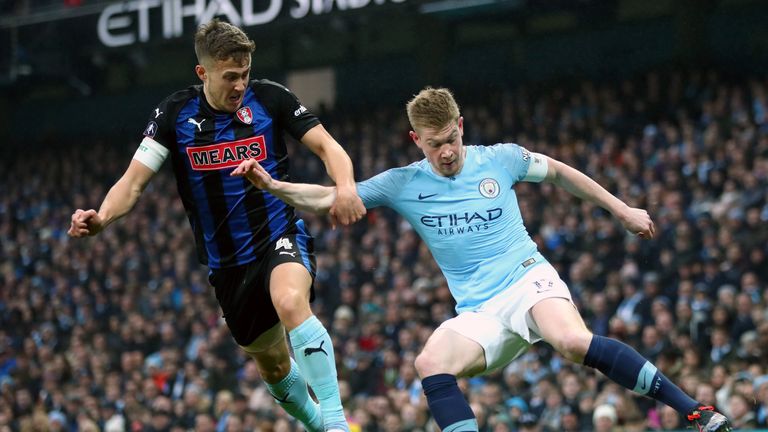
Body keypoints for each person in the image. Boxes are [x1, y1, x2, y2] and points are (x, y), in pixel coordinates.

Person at [232, 87, 733, 432]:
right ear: (416, 141)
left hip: (527, 280)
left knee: (570, 340)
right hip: (478, 311)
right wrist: (274, 187)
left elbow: (558, 172)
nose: (447, 152)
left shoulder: (501, 158)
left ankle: (694, 412)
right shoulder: (405, 183)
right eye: (435, 144)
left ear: (460, 126)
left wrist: (622, 209)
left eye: (451, 138)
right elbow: (330, 198)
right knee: (429, 362)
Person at [67, 19, 365, 432]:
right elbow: (133, 183)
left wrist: (346, 187)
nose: (240, 84)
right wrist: (100, 218)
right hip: (226, 265)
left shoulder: (270, 99)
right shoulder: (175, 114)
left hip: (278, 235)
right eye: (230, 76)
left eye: (244, 74)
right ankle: (317, 424)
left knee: (293, 302)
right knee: (274, 365)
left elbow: (328, 147)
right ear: (202, 73)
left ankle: (335, 423)